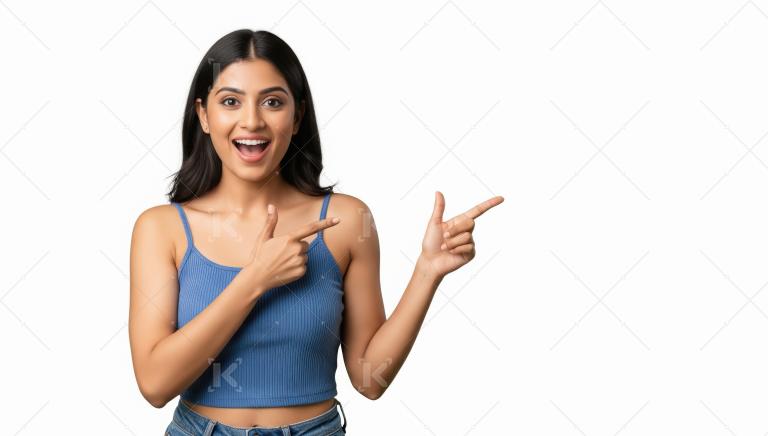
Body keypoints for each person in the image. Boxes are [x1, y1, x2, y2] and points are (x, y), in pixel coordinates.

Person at [128, 28, 504, 435]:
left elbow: (369, 380)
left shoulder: (345, 222)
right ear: (203, 114)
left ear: (298, 115)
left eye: (272, 102)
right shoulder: (161, 228)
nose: (252, 121)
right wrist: (255, 279)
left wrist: (427, 272)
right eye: (230, 102)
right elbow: (155, 384)